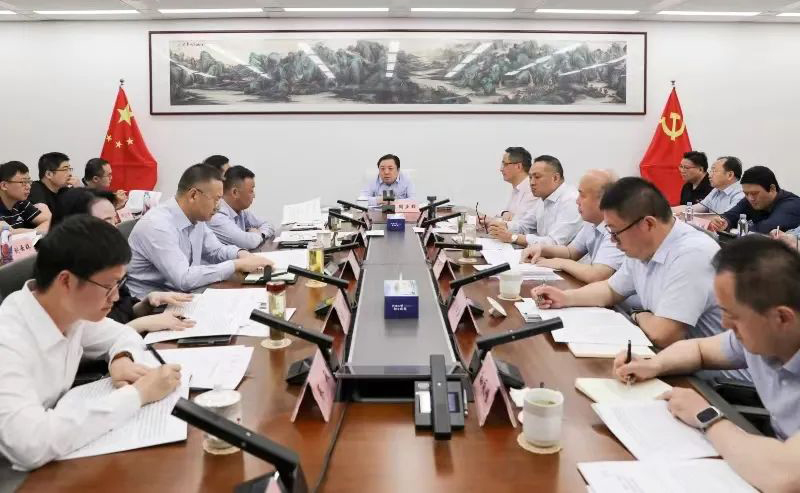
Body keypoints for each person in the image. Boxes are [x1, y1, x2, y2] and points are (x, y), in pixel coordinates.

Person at [613, 236, 800, 492]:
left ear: (782, 318)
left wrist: (707, 417)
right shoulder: (761, 334)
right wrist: (653, 364)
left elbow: (786, 476)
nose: (725, 324)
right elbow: (699, 350)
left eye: (733, 316)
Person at [0, 215, 181, 471]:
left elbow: (121, 335)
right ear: (66, 281)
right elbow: (30, 444)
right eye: (108, 286)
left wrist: (121, 359)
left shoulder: (68, 312)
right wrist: (138, 394)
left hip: (57, 455)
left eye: (119, 284)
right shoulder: (8, 340)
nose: (115, 297)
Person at [531, 177, 727, 349]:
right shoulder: (643, 247)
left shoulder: (692, 253)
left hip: (709, 377)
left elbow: (664, 334)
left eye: (616, 232)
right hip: (667, 357)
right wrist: (564, 298)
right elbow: (610, 290)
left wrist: (638, 314)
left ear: (648, 224)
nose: (613, 241)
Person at [51, 188, 195, 334]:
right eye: (107, 222)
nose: (115, 229)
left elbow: (121, 312)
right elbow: (88, 340)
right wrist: (140, 324)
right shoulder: (66, 277)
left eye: (115, 220)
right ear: (75, 225)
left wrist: (147, 302)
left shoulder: (105, 258)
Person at [126, 164, 272, 298]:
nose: (219, 207)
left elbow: (215, 251)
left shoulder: (197, 217)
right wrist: (235, 265)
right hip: (151, 305)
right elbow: (183, 279)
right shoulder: (157, 225)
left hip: (182, 294)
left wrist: (241, 254)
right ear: (193, 195)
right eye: (216, 199)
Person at [520, 169, 623, 284]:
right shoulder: (592, 222)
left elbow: (597, 275)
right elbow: (571, 252)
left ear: (604, 200)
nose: (577, 201)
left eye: (582, 195)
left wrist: (560, 263)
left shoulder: (618, 229)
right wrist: (542, 249)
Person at [488, 155, 582, 247]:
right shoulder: (543, 198)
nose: (532, 183)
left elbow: (554, 243)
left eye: (537, 177)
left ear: (555, 178)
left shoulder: (571, 201)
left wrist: (513, 237)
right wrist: (502, 226)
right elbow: (524, 225)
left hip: (562, 256)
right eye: (530, 177)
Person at [709, 166, 800, 234]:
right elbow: (732, 214)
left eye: (755, 193)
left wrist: (737, 230)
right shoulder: (750, 199)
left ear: (772, 189)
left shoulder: (792, 204)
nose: (750, 198)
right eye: (746, 193)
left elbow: (766, 228)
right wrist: (723, 222)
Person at [208, 165, 275, 250]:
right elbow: (248, 242)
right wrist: (257, 234)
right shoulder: (216, 216)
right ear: (235, 192)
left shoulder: (240, 211)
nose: (254, 195)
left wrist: (261, 234)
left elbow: (268, 224)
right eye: (251, 191)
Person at [674, 156, 744, 215]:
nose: (709, 175)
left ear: (730, 175)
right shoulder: (716, 190)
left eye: (714, 171)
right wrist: (669, 211)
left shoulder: (741, 194)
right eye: (710, 171)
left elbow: (726, 218)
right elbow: (697, 208)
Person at [0, 161, 50, 233]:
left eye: (29, 181)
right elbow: (6, 232)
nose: (28, 187)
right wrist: (36, 232)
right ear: (4, 185)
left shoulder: (21, 202)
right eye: (23, 182)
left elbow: (48, 221)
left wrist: (33, 232)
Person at [28, 152, 76, 216]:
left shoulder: (64, 190)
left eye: (69, 169)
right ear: (49, 174)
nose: (70, 174)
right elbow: (46, 218)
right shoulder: (34, 189)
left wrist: (78, 190)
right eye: (65, 169)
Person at [497, 146, 536, 221]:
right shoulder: (517, 188)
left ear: (518, 166)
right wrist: (504, 213)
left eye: (505, 164)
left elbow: (519, 223)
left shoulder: (532, 190)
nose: (501, 169)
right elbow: (504, 214)